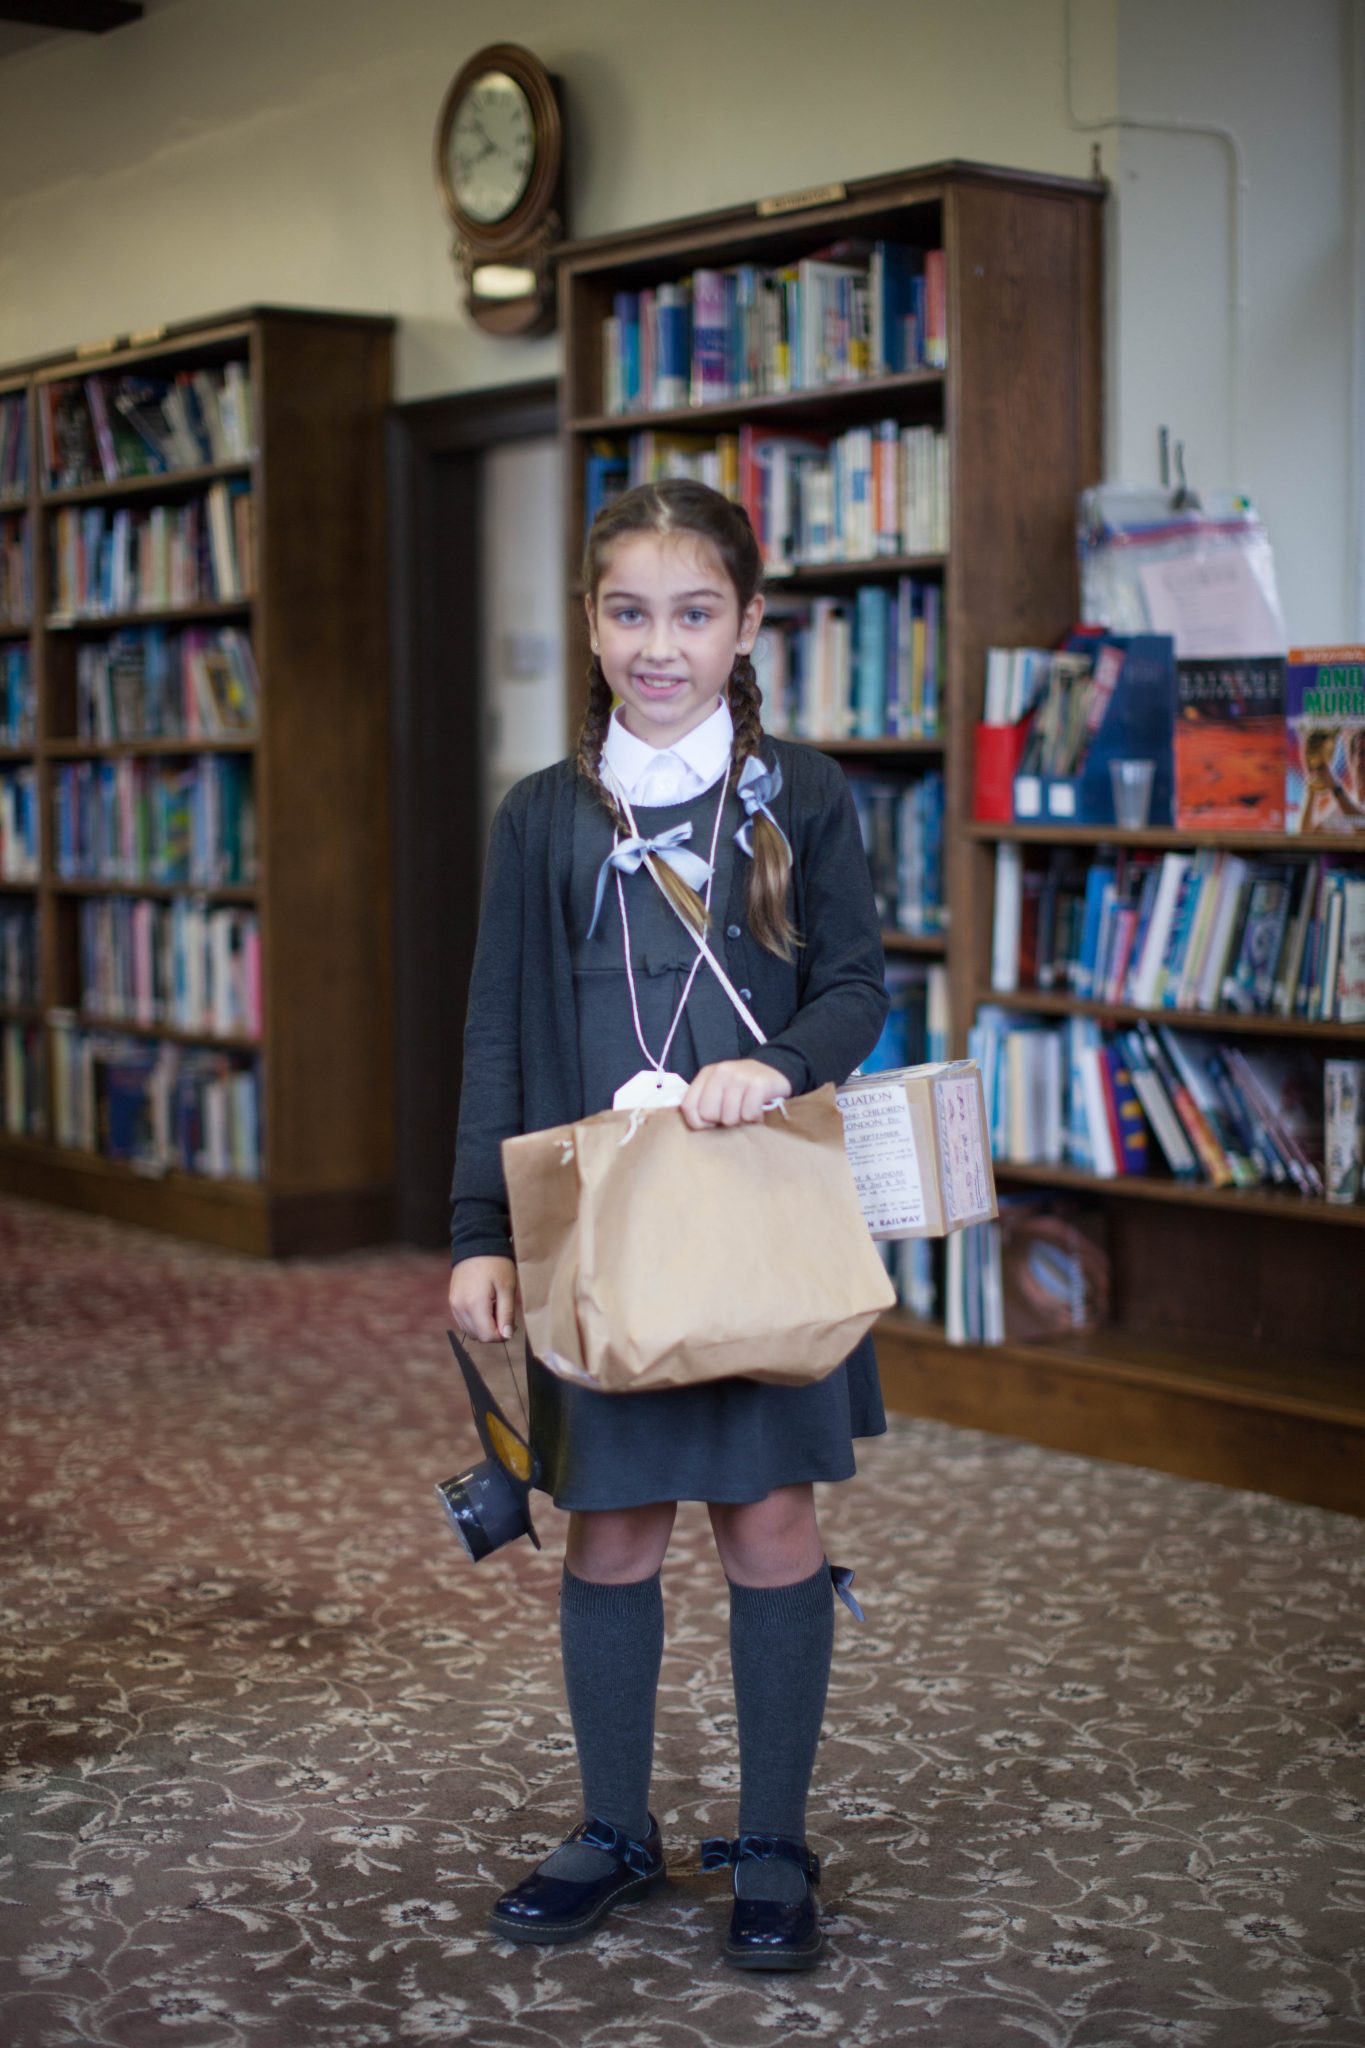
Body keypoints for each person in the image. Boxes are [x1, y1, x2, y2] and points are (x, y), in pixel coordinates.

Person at [448, 478, 888, 1971]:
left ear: (747, 623)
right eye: (629, 613)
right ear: (589, 624)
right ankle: (614, 1829)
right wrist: (479, 1231)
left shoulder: (804, 793)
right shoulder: (539, 816)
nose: (659, 645)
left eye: (694, 614)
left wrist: (785, 1061)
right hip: (604, 1242)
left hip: (759, 1229)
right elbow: (496, 1032)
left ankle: (772, 1841)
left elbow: (858, 986)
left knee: (771, 1526)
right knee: (613, 1531)